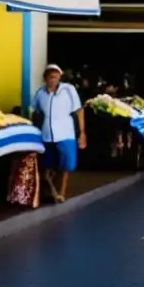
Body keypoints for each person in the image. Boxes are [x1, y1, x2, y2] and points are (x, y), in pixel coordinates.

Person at [31, 64, 86, 203]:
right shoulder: (40, 93)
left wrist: (82, 133)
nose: (53, 79)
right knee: (47, 165)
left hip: (65, 133)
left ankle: (61, 193)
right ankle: (51, 191)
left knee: (66, 165)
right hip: (47, 134)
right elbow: (35, 110)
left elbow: (79, 110)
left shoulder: (68, 90)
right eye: (50, 76)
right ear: (45, 78)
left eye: (56, 76)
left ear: (60, 77)